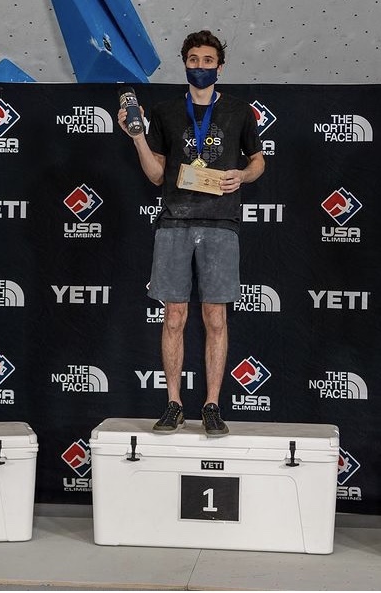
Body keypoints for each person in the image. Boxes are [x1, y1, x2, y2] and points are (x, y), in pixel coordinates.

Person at [118, 30, 265, 436]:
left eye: (208, 60)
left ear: (220, 66)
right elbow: (155, 175)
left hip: (221, 223)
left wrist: (243, 175)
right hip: (174, 223)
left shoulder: (239, 111)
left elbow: (258, 161)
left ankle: (212, 405)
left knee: (215, 317)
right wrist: (137, 138)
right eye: (194, 60)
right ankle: (174, 404)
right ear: (185, 64)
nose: (200, 67)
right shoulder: (165, 111)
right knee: (174, 316)